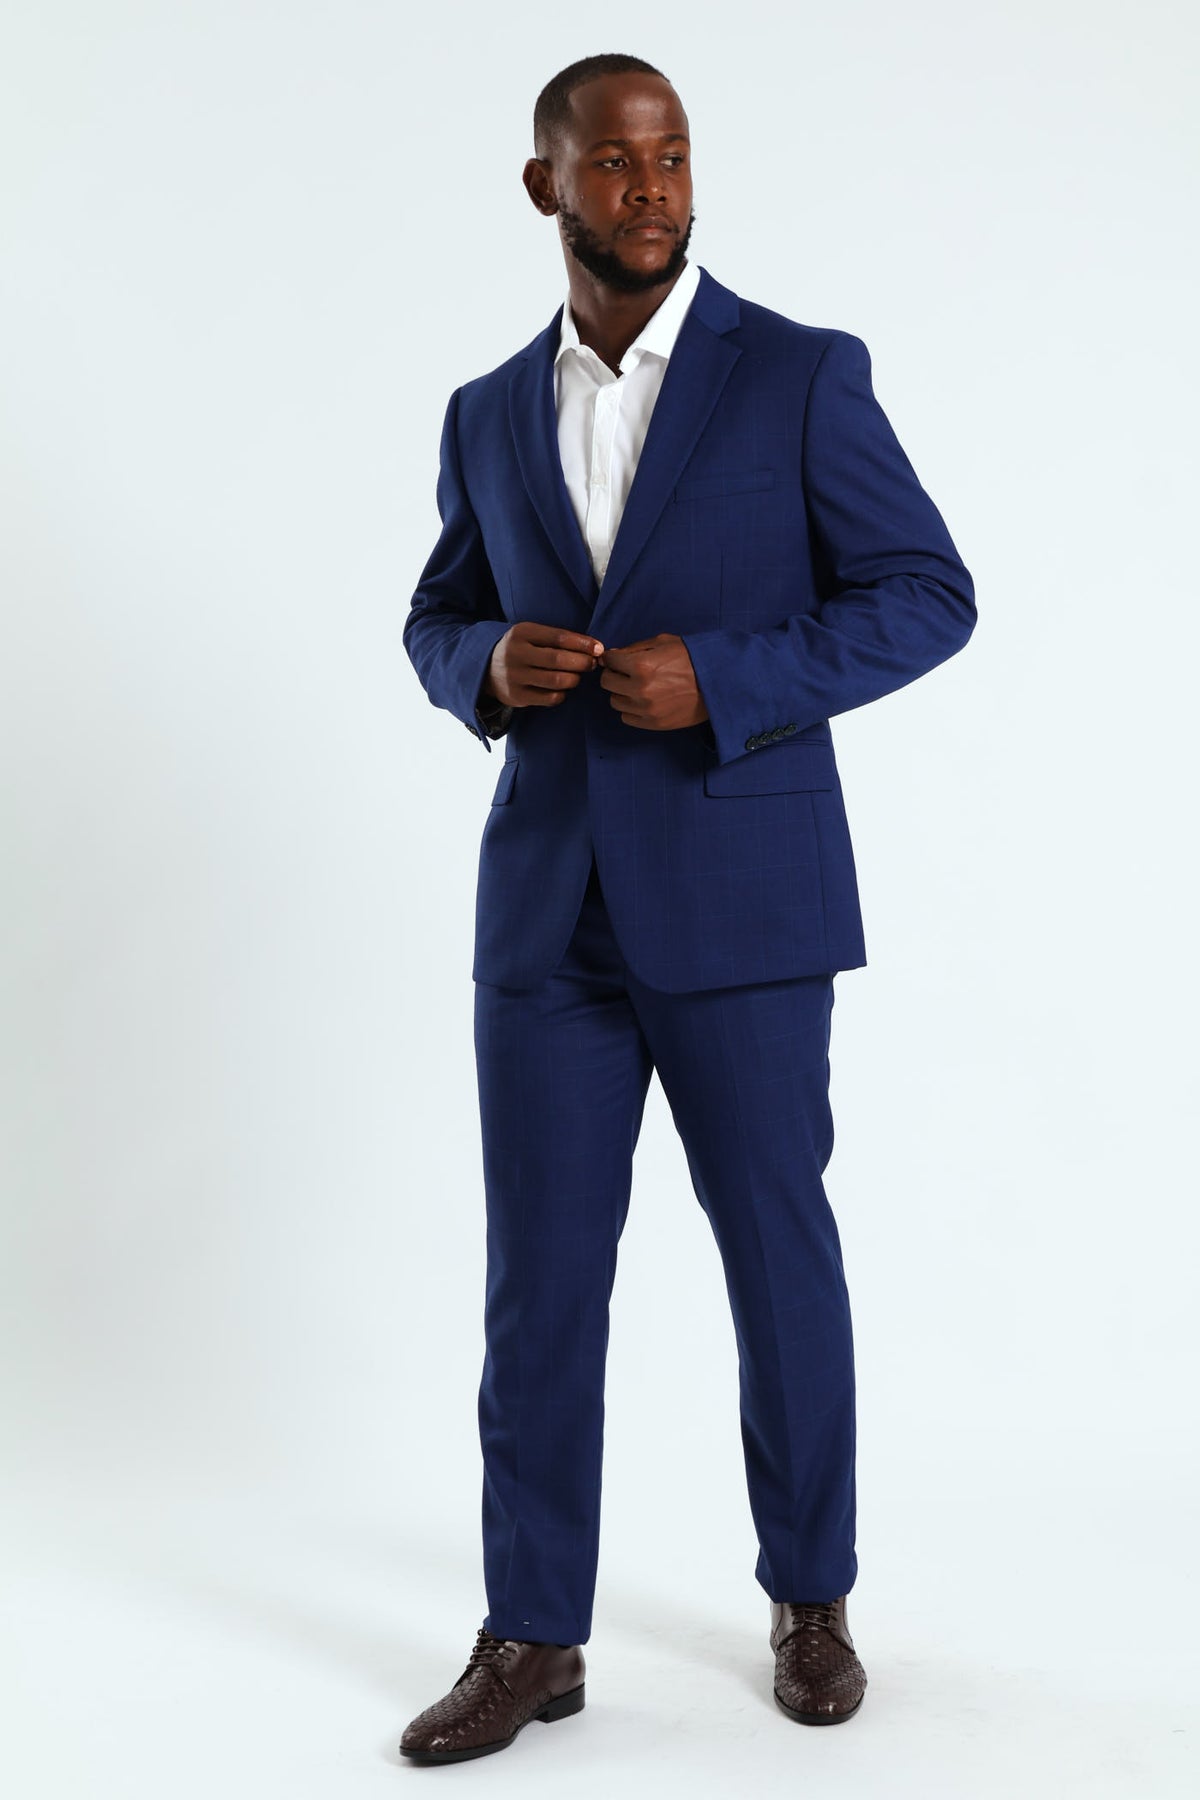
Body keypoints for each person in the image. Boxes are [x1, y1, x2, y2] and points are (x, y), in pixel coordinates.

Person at [399, 52, 975, 1764]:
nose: (651, 188)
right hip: (548, 918)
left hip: (742, 899)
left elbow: (927, 593)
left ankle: (813, 1599)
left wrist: (722, 678)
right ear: (547, 186)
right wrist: (482, 665)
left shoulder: (796, 374)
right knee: (538, 1285)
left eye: (672, 157)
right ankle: (532, 1635)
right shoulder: (486, 411)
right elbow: (436, 613)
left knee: (775, 1253)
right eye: (614, 162)